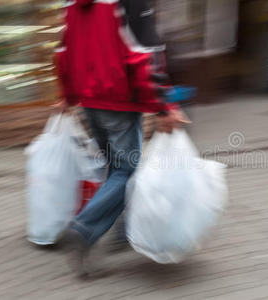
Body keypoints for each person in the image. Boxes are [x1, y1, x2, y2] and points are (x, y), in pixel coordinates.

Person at [54, 0, 188, 276]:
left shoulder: (72, 3)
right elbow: (147, 54)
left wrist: (67, 95)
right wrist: (164, 106)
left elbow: (63, 51)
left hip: (89, 101)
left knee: (114, 170)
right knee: (126, 171)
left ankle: (123, 232)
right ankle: (84, 228)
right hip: (119, 100)